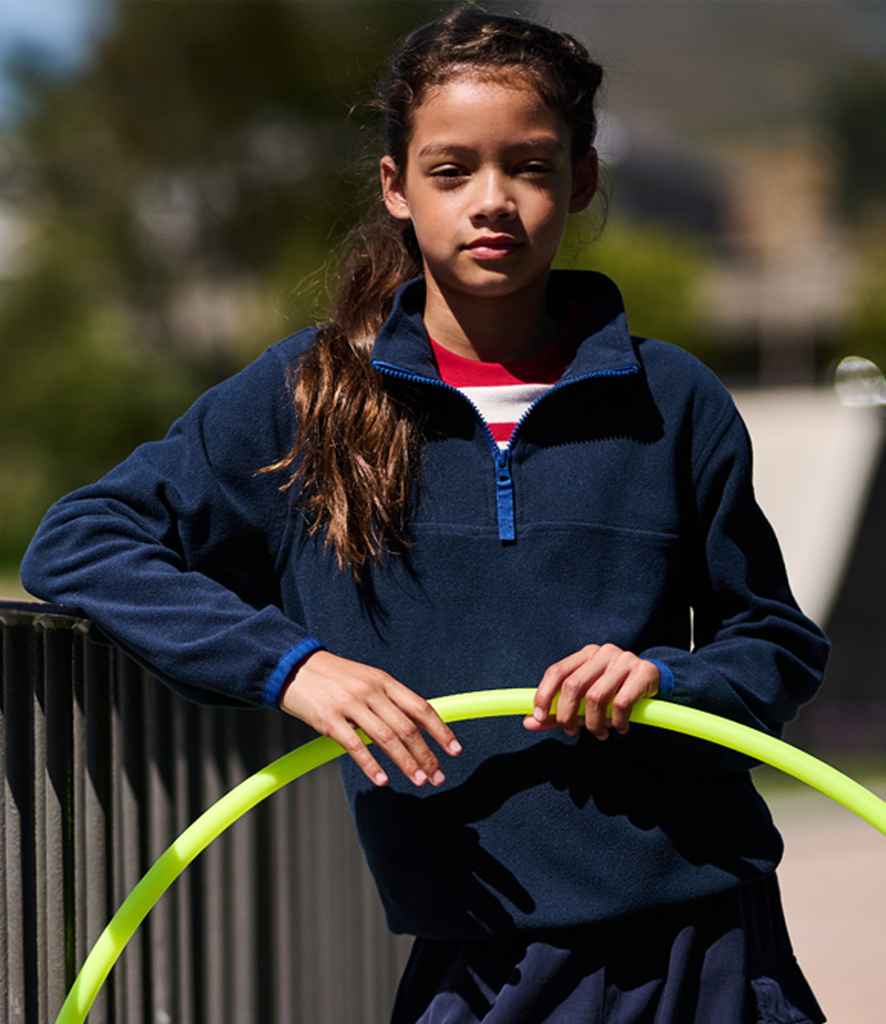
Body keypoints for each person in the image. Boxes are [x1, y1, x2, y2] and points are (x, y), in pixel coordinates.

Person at [20, 3, 830, 1021]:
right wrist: (293, 667)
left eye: (529, 167)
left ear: (580, 179)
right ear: (396, 186)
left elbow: (774, 645)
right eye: (451, 170)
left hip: (699, 947)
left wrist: (667, 677)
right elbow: (80, 542)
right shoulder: (306, 397)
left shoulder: (673, 400)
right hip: (473, 954)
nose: (492, 201)